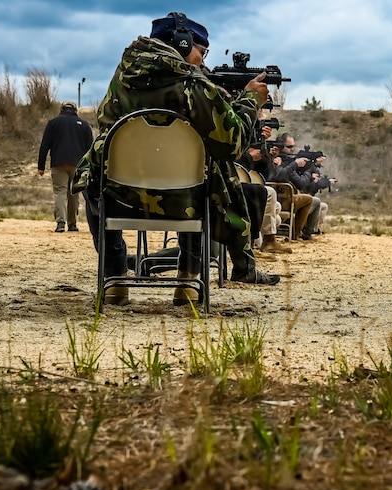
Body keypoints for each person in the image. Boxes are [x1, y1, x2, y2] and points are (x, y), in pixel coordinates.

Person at [74, 11, 280, 306]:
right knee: (207, 174)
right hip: (184, 202)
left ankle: (115, 277)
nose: (204, 61)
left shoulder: (122, 78)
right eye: (202, 51)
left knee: (93, 169)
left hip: (120, 197)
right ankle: (187, 280)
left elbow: (105, 119)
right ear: (182, 44)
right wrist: (249, 102)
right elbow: (231, 146)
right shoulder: (194, 87)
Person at [37, 100, 93, 233]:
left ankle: (60, 223)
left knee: (59, 192)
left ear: (61, 109)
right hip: (78, 165)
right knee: (74, 194)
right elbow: (90, 149)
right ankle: (72, 224)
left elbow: (45, 145)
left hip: (59, 163)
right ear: (75, 110)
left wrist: (41, 166)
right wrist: (90, 168)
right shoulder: (84, 125)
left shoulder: (53, 123)